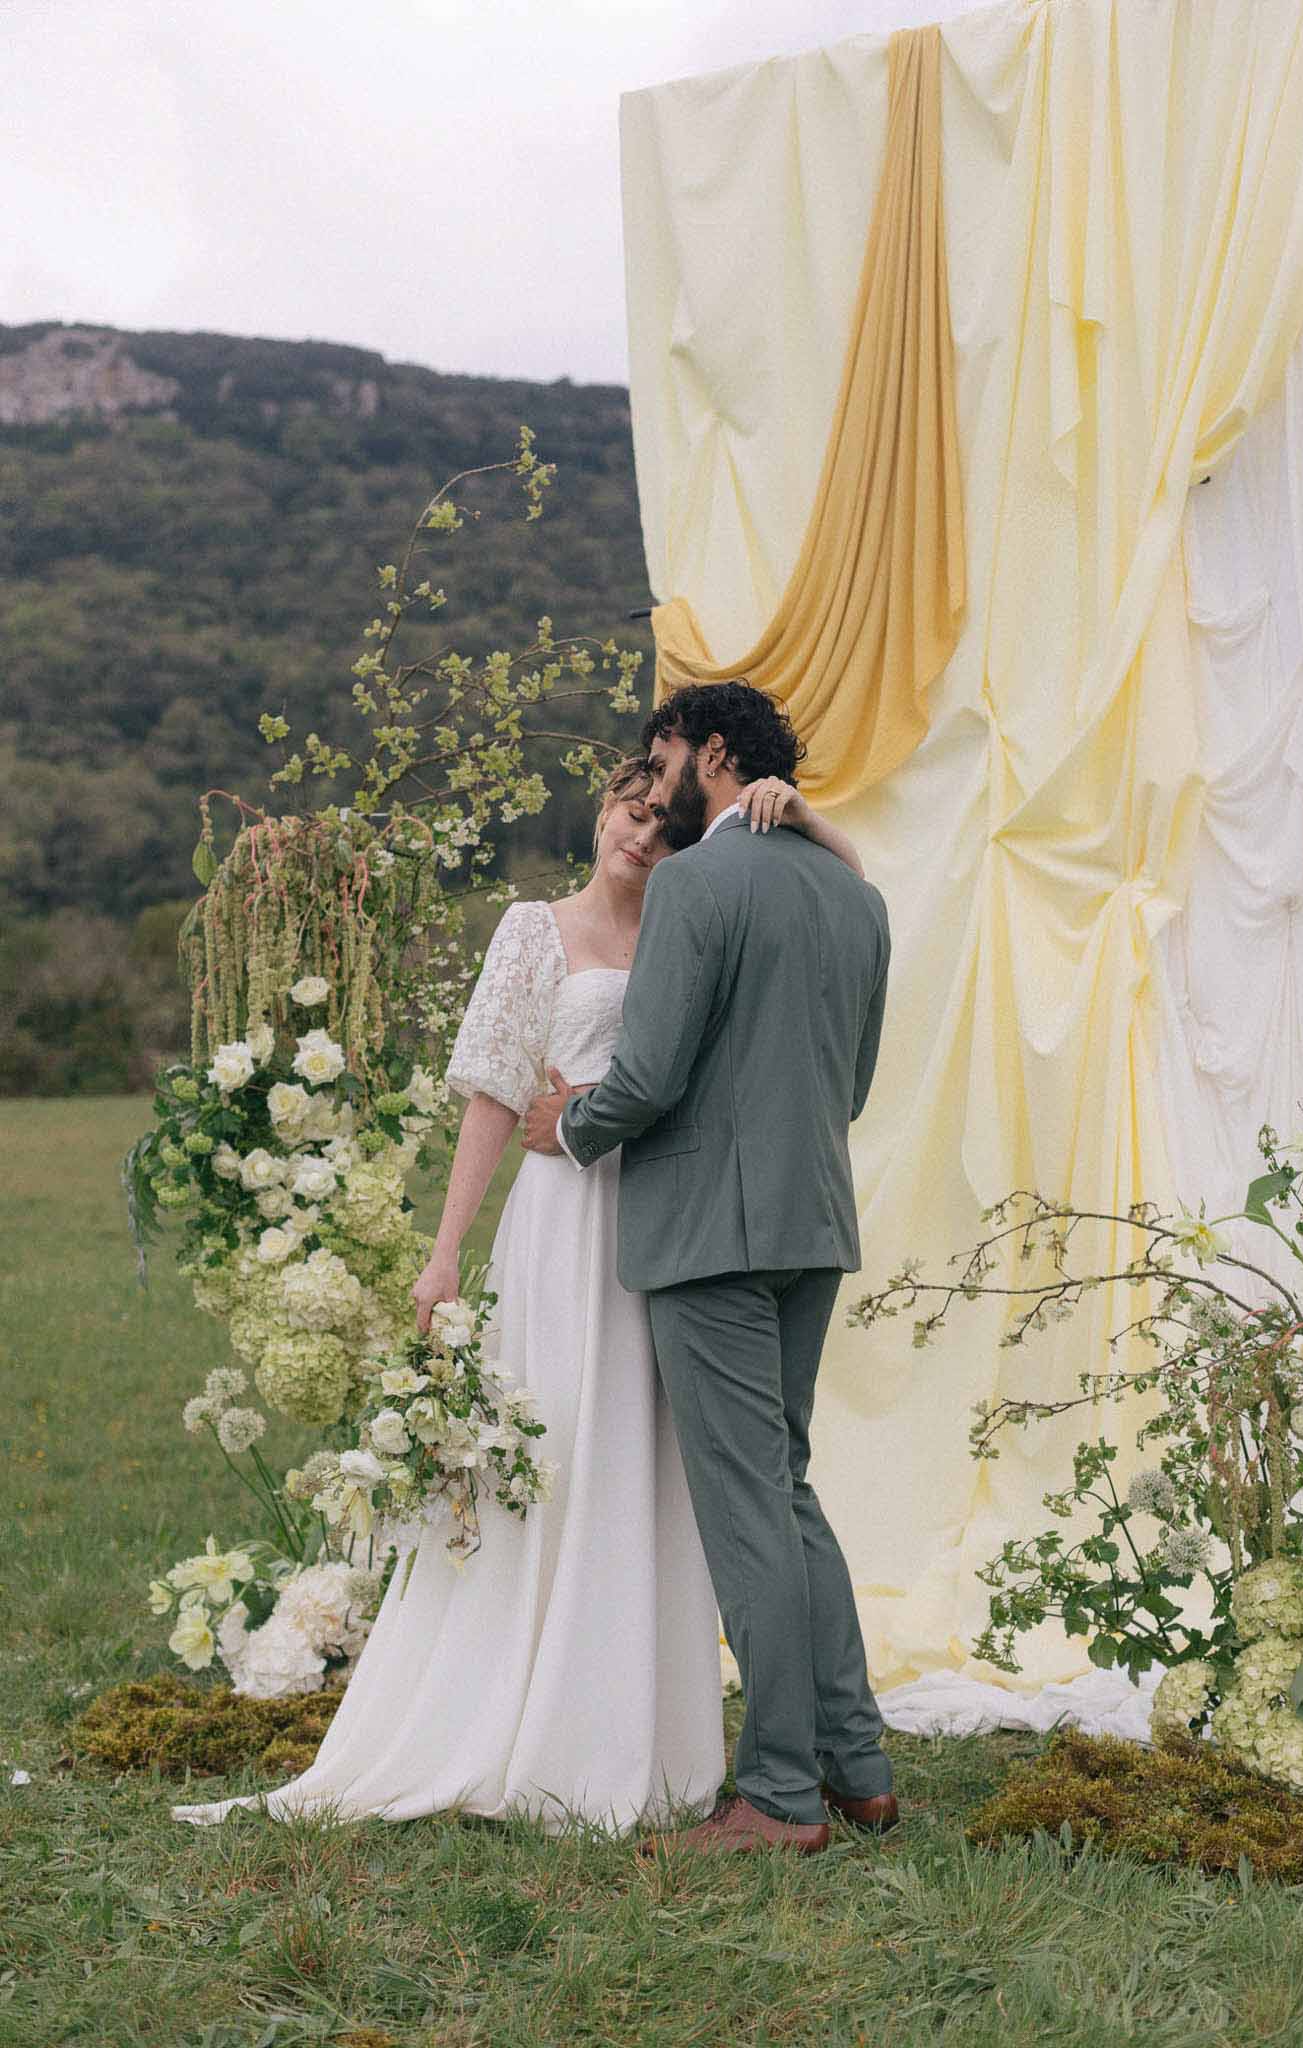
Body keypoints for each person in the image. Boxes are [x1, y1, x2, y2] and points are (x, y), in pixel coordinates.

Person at [172, 739, 865, 1835]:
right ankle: (532, 1707)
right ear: (599, 814)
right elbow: (494, 1095)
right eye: (629, 812)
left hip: (671, 1229)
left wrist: (808, 819)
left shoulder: (698, 917)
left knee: (655, 1468)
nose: (642, 833)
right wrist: (446, 1252)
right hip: (561, 1225)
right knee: (557, 1448)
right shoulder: (534, 931)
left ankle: (640, 1723)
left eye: (663, 820)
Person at [522, 681, 897, 1857]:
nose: (654, 769)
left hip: (710, 1238)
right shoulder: (856, 893)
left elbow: (647, 1075)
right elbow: (850, 1086)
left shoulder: (693, 883)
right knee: (783, 1487)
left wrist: (569, 1129)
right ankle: (859, 1765)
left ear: (715, 753)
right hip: (813, 1223)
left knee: (746, 1506)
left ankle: (779, 1797)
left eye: (663, 748)